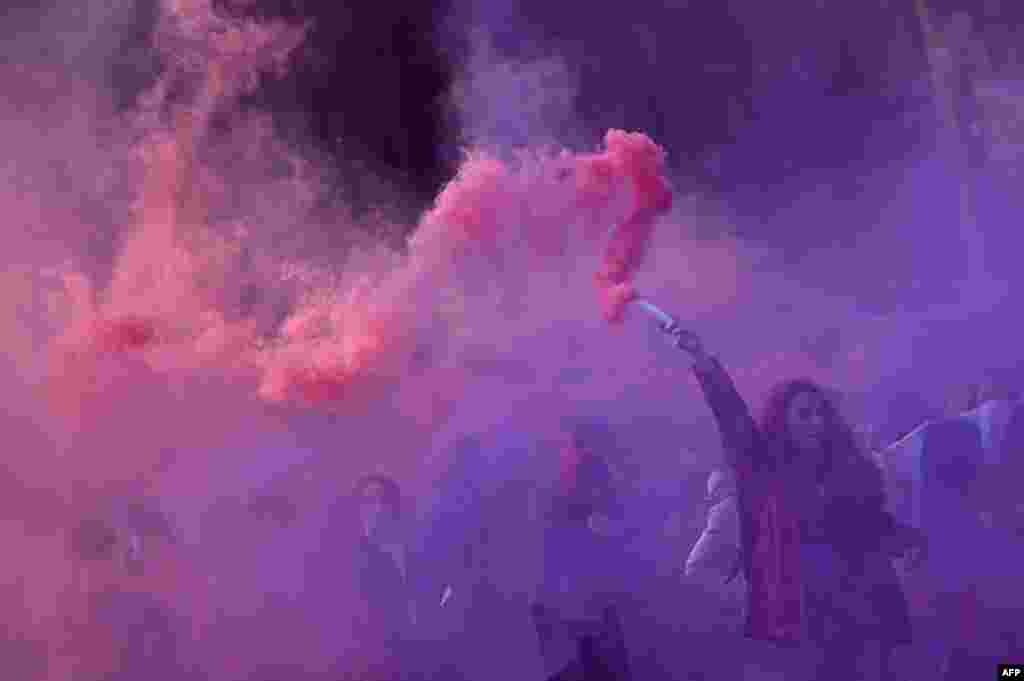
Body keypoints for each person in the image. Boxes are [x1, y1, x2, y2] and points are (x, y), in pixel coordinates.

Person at [664, 324, 924, 681]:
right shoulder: (765, 471)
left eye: (820, 413)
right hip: (802, 617)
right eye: (804, 414)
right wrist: (702, 360)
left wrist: (906, 540)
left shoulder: (848, 470)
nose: (816, 422)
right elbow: (732, 418)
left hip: (865, 611)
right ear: (782, 423)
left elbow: (872, 526)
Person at [533, 421, 633, 681]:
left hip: (562, 596)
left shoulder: (559, 472)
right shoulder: (589, 468)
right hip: (582, 596)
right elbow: (610, 517)